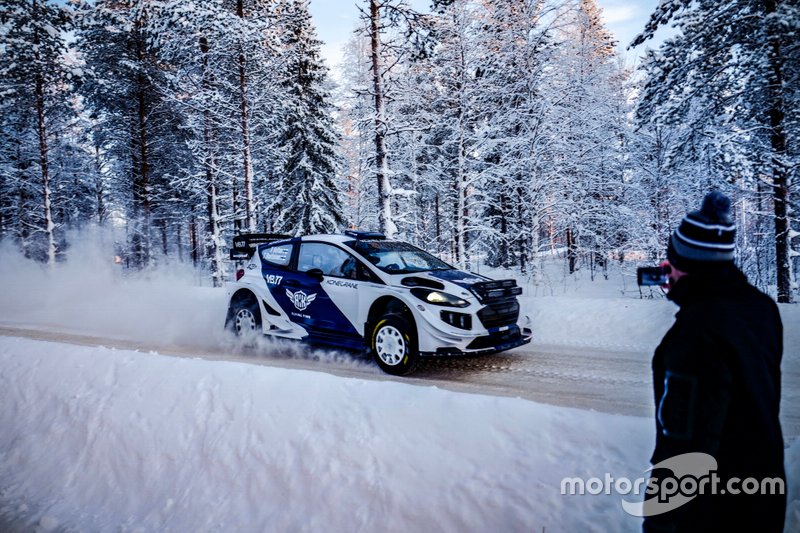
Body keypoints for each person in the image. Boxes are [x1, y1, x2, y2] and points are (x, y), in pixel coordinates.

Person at [644, 191, 786, 532]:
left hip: (715, 510)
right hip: (765, 492)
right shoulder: (761, 308)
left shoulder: (696, 334)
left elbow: (685, 447)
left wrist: (660, 522)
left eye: (670, 261)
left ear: (681, 266)